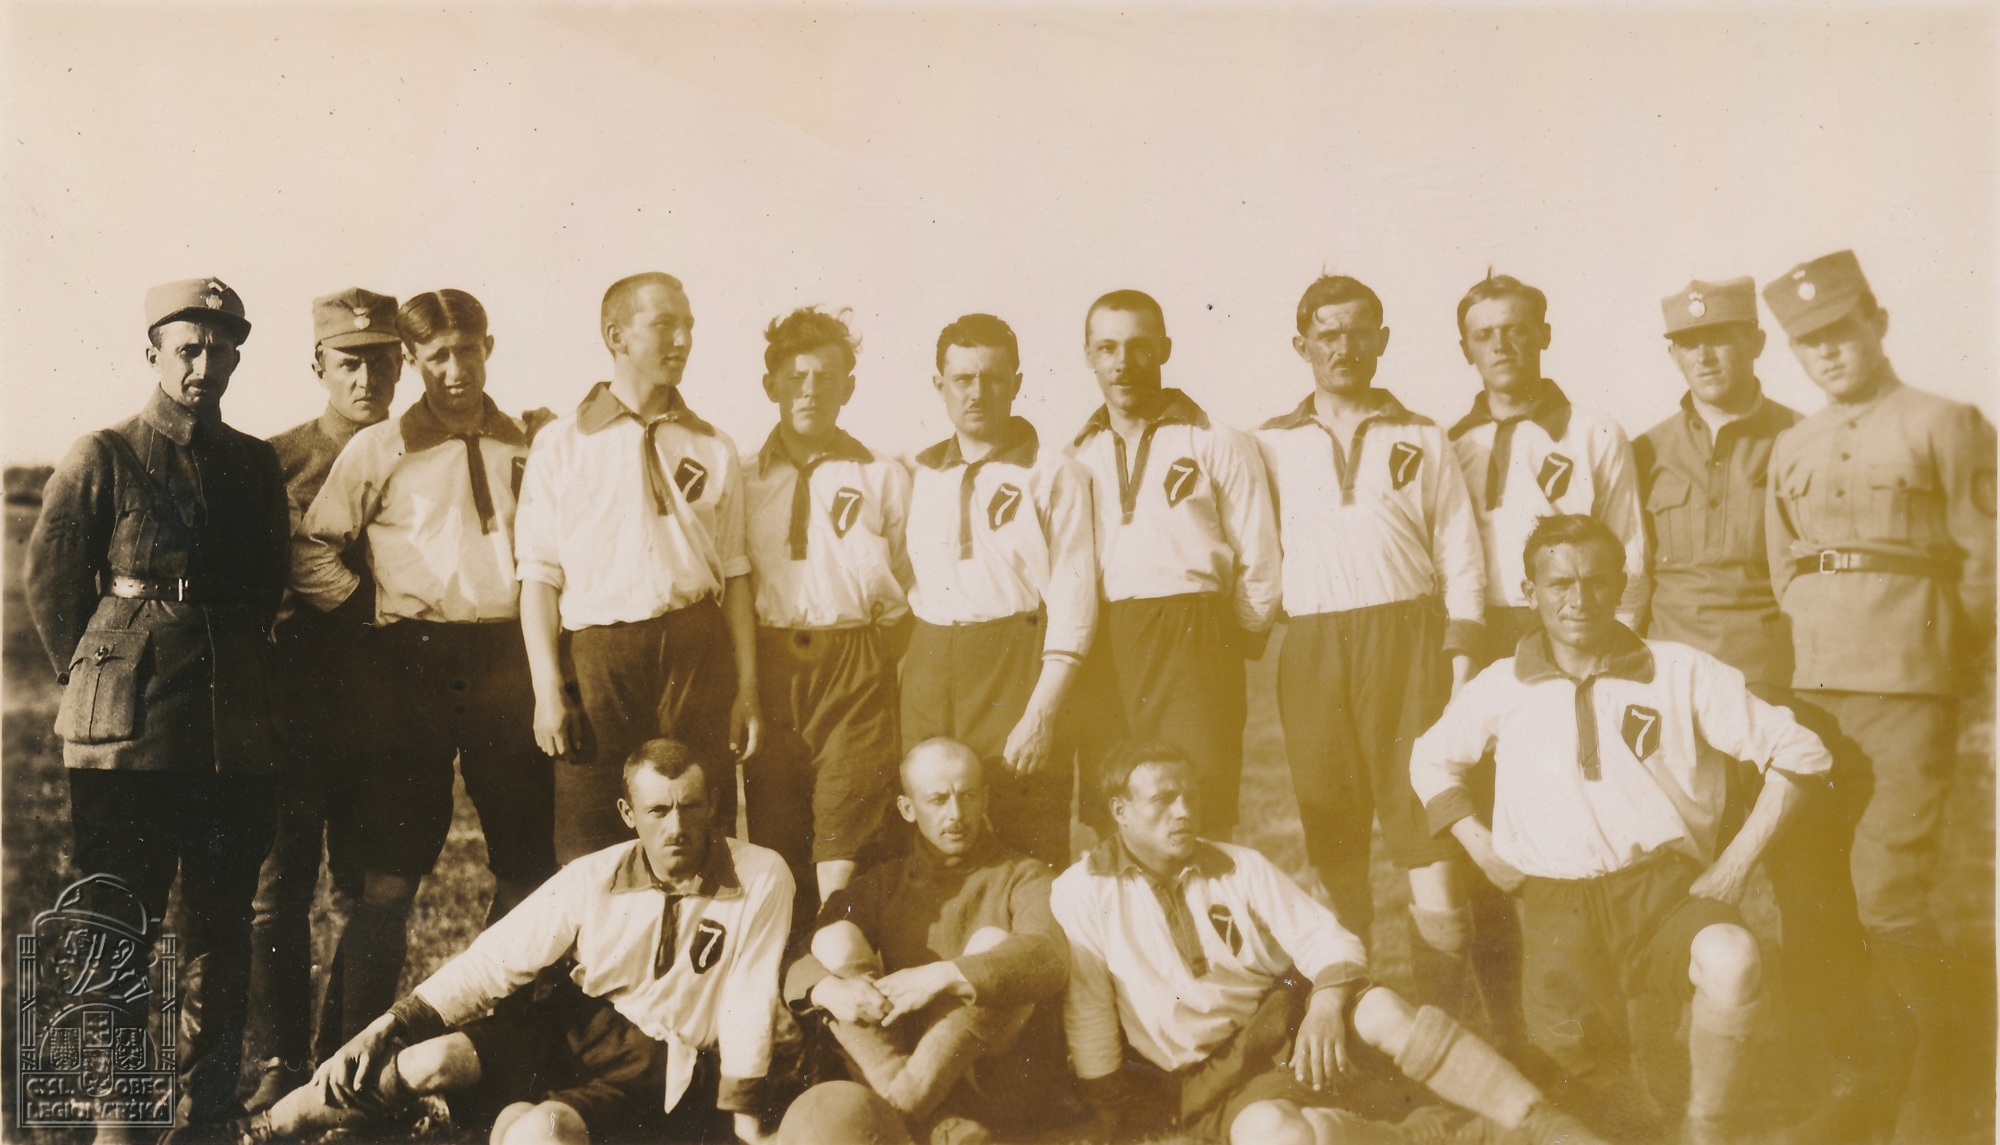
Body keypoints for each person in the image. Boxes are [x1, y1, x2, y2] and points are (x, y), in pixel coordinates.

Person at [1409, 514, 1832, 1143]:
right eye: (1560, 584)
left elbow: (1802, 753)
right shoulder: (1503, 684)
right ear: (1529, 592)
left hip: (1665, 894)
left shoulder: (1679, 671)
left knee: (1733, 960)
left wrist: (1734, 866)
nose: (1579, 600)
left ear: (1622, 585)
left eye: (1596, 581)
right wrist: (1483, 847)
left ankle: (1707, 1130)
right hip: (1559, 907)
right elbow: (1429, 758)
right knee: (1582, 1102)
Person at [24, 277, 290, 1138]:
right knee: (117, 919)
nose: (204, 365)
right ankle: (121, 1116)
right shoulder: (104, 454)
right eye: (188, 348)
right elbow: (52, 581)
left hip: (231, 730)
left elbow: (266, 582)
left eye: (220, 350)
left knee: (221, 923)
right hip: (126, 736)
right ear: (153, 353)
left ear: (237, 358)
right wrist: (99, 673)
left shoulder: (254, 462)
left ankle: (206, 1110)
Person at [248, 739, 795, 1145]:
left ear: (713, 804)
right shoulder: (595, 875)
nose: (676, 826)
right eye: (658, 810)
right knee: (431, 1059)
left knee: (539, 1133)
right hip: (570, 1029)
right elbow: (494, 960)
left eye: (690, 806)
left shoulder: (762, 874)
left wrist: (746, 1120)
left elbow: (750, 996)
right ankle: (272, 1125)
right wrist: (387, 1025)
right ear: (629, 815)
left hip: (657, 1065)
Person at [1052, 742, 1599, 1145]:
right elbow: (1090, 1012)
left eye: (1190, 796)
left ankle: (1544, 1125)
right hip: (1209, 1078)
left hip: (1287, 1022)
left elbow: (1325, 935)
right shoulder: (1082, 892)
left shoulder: (1237, 864)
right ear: (1119, 811)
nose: (1184, 812)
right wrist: (1109, 1114)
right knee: (1279, 1137)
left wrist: (1325, 1004)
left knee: (1383, 1009)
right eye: (1163, 800)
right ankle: (1441, 1135)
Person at [1762, 249, 1997, 1142]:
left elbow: (1985, 560)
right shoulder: (1792, 444)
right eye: (1808, 341)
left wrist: (1940, 657)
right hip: (1816, 690)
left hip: (1907, 683)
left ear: (1878, 323)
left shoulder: (1945, 423)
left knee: (1889, 891)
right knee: (1820, 889)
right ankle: (1856, 1089)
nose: (1827, 351)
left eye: (1841, 330)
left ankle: (1936, 1102)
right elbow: (1783, 566)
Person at [290, 289, 557, 1046]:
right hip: (411, 667)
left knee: (526, 867)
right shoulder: (382, 447)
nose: (455, 368)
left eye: (467, 350)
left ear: (488, 348)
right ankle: (346, 1058)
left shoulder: (530, 444)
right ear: (412, 361)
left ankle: (483, 1040)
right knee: (389, 876)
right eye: (436, 355)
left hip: (507, 661)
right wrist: (364, 610)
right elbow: (311, 547)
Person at [1633, 275, 1870, 1110]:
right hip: (1673, 697)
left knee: (1808, 880)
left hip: (1777, 686)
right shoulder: (1643, 451)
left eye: (1723, 339)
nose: (1706, 356)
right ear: (1673, 354)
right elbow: (1635, 576)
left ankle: (1826, 1061)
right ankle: (1676, 1066)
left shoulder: (1804, 439)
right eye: (1689, 343)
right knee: (1669, 877)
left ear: (1756, 345)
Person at [1252, 274, 1487, 1021]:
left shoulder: (1422, 434)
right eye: (1328, 334)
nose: (1344, 347)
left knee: (1426, 831)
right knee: (1334, 840)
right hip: (1315, 646)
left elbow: (1459, 550)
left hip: (1407, 643)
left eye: (1359, 332)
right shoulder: (1269, 443)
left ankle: (1443, 1027)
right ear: (1302, 345)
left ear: (1382, 340)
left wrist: (1459, 663)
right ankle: (1353, 1023)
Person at [515, 272, 762, 863]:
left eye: (689, 326)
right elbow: (539, 577)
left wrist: (748, 687)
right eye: (664, 325)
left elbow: (736, 574)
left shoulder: (712, 444)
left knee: (699, 832)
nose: (683, 340)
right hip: (600, 658)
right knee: (592, 843)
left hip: (696, 650)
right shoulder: (561, 444)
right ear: (616, 336)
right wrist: (548, 690)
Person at [244, 287, 405, 1108]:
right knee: (279, 891)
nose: (366, 378)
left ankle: (349, 1057)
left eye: (382, 360)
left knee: (372, 890)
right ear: (319, 365)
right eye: (349, 362)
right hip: (293, 709)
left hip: (389, 710)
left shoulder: (424, 453)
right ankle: (278, 1058)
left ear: (402, 364)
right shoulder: (275, 461)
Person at [783, 739, 1072, 1144]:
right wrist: (828, 991)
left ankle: (900, 1111)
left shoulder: (1022, 874)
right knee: (834, 936)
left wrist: (944, 975)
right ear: (907, 808)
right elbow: (800, 955)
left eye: (968, 795)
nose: (956, 814)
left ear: (985, 798)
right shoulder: (884, 881)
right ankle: (929, 1119)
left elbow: (1049, 955)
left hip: (989, 1076)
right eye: (938, 799)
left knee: (993, 942)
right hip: (900, 1055)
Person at [1069, 290, 1281, 837]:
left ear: (1164, 349)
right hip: (1106, 644)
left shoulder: (1216, 440)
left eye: (1139, 347)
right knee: (1115, 808)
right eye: (1107, 348)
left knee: (1197, 806)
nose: (1123, 363)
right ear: (1088, 355)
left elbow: (1259, 558)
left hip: (1196, 639)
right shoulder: (1075, 457)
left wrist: (1228, 640)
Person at [901, 313, 1096, 866]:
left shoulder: (1053, 473)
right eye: (963, 379)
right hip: (932, 660)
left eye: (993, 378)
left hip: (1017, 660)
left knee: (1027, 835)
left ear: (1017, 383)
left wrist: (1041, 714)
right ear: (939, 385)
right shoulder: (921, 474)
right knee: (934, 829)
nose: (977, 392)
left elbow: (1075, 601)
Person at [741, 307, 913, 931]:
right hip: (772, 663)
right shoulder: (743, 477)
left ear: (849, 388)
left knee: (846, 834)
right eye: (796, 377)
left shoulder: (881, 475)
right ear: (771, 386)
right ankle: (794, 972)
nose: (810, 390)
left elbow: (906, 574)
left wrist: (878, 652)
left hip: (855, 661)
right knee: (778, 837)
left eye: (826, 377)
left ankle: (842, 955)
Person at [1446, 273, 1646, 660]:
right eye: (1484, 335)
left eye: (1515, 330)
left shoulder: (1595, 433)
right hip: (1476, 631)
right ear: (1466, 350)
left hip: (1570, 623)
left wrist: (1616, 649)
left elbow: (1629, 551)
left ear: (1544, 335)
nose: (1500, 346)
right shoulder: (1453, 444)